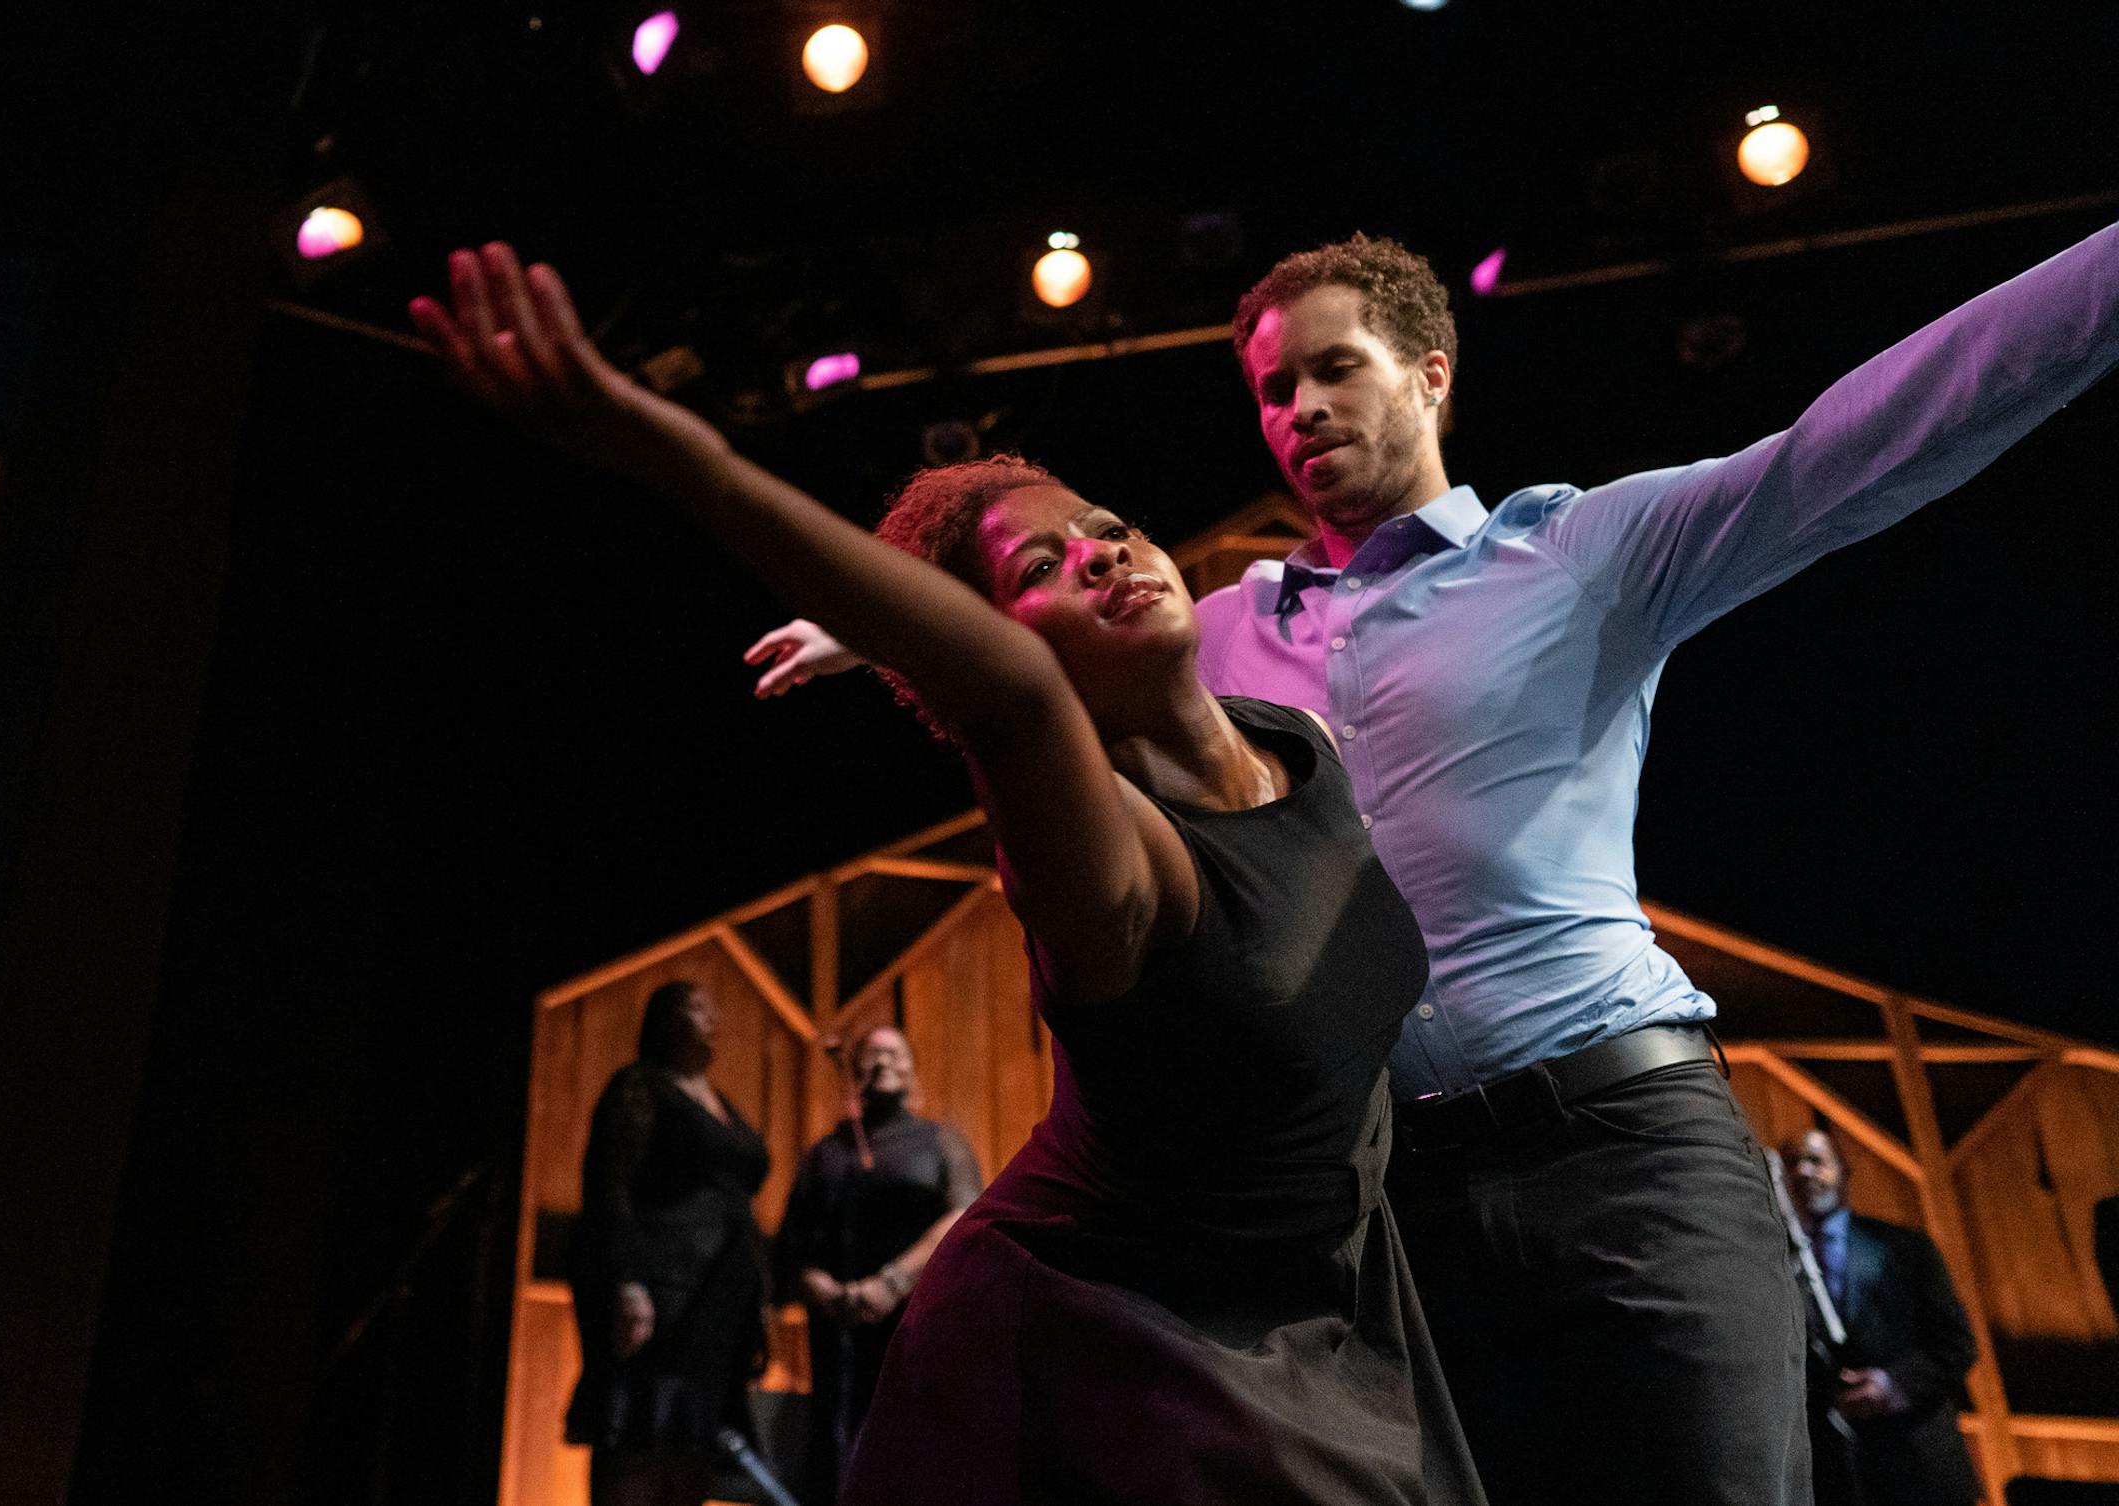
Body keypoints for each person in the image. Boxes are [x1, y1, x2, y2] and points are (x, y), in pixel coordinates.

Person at [745, 221, 2119, 1504]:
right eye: (1275, 390)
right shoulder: (1210, 628)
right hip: (1387, 1215)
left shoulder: (1582, 549)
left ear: (1431, 374)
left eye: (1337, 369)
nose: (1302, 411)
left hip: (1624, 1146)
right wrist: (898, 631)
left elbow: (1856, 443)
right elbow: (1035, 644)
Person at [412, 244, 1486, 1505]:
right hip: (1124, 1351)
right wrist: (683, 459)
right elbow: (1018, 700)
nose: (1098, 554)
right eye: (1038, 574)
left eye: (1102, 527)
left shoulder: (1291, 741)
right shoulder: (1119, 868)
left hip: (1320, 1313)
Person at [564, 980, 771, 1506]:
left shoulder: (720, 1100)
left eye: (710, 1006)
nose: (710, 1015)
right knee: (639, 1430)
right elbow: (608, 1184)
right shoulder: (641, 1085)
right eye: (695, 1005)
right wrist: (627, 1282)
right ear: (665, 1018)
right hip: (661, 1290)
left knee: (690, 1439)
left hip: (716, 1304)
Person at [773, 1025, 982, 1505]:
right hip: (837, 1334)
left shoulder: (940, 1142)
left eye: (895, 1053)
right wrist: (820, 1288)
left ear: (910, 1072)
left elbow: (965, 1217)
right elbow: (793, 1242)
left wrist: (893, 1282)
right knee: (838, 1453)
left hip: (917, 1329)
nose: (883, 1060)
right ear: (854, 1070)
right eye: (872, 1052)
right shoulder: (826, 1153)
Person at [1782, 1127, 1981, 1506]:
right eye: (1793, 1163)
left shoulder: (1905, 1247)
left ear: (1842, 1171)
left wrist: (1895, 1384)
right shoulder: (1776, 1268)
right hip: (1835, 1480)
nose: (1804, 1171)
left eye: (1816, 1161)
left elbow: (1956, 1343)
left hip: (1919, 1466)